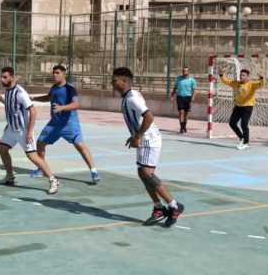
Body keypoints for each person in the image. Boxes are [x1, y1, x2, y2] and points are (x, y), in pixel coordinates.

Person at [112, 67, 184, 227]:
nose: (112, 82)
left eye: (115, 79)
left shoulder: (132, 98)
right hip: (144, 139)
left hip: (149, 139)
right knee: (142, 172)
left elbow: (149, 117)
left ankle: (174, 206)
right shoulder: (127, 97)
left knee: (146, 172)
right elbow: (137, 120)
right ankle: (159, 208)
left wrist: (137, 136)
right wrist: (134, 135)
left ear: (124, 81)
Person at [32, 65, 100, 184]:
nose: (54, 75)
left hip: (69, 124)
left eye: (57, 73)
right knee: (40, 143)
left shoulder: (70, 89)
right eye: (53, 73)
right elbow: (48, 97)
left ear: (64, 74)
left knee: (80, 146)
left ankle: (94, 171)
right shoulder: (54, 87)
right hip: (54, 124)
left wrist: (62, 107)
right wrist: (33, 98)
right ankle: (41, 168)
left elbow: (76, 104)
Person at [0, 67, 60, 194]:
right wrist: (8, 124)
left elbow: (33, 111)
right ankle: (10, 176)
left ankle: (53, 179)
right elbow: (12, 111)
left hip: (23, 130)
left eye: (5, 77)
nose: (2, 79)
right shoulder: (7, 91)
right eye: (2, 77)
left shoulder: (20, 93)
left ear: (12, 77)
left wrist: (29, 132)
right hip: (11, 129)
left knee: (33, 157)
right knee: (3, 149)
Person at [219, 69, 265, 150]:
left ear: (247, 77)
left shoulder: (252, 84)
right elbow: (226, 81)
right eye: (241, 75)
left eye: (243, 75)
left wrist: (261, 78)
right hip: (238, 106)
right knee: (232, 123)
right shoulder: (235, 83)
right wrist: (221, 75)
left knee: (244, 124)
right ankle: (241, 137)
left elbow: (261, 84)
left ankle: (246, 143)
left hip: (247, 106)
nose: (241, 76)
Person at [170, 66, 197, 133]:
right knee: (181, 112)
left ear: (188, 72)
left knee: (186, 114)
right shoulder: (178, 79)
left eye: (185, 71)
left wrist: (193, 97)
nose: (184, 72)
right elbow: (175, 87)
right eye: (183, 71)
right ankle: (181, 127)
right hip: (180, 97)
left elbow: (194, 90)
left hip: (188, 97)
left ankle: (184, 126)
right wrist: (172, 95)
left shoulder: (192, 80)